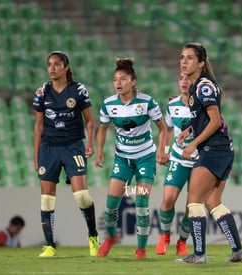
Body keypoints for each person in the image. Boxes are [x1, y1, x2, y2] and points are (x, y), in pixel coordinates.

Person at [176, 42, 242, 264]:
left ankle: (199, 254)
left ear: (201, 63)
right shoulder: (198, 85)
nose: (184, 62)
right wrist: (189, 127)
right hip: (223, 149)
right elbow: (204, 117)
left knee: (194, 202)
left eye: (189, 58)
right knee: (213, 202)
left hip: (213, 149)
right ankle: (237, 251)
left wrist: (193, 143)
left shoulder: (203, 86)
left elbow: (215, 121)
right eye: (182, 57)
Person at [95, 57, 168, 259]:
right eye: (115, 79)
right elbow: (102, 128)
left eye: (123, 79)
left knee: (141, 202)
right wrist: (99, 150)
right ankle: (111, 237)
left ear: (133, 81)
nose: (118, 83)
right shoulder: (109, 104)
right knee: (110, 208)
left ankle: (141, 250)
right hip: (122, 160)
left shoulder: (147, 102)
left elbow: (163, 129)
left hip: (145, 158)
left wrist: (162, 150)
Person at [32, 51, 99, 258]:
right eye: (49, 64)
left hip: (72, 146)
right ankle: (50, 245)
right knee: (46, 200)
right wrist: (36, 156)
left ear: (66, 67)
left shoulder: (78, 90)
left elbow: (90, 120)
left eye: (57, 64)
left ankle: (93, 236)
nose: (52, 68)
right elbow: (39, 126)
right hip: (49, 149)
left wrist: (90, 144)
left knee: (82, 196)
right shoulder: (42, 91)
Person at [155, 73, 194, 256]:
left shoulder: (203, 105)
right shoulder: (172, 105)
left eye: (188, 78)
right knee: (168, 199)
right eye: (180, 78)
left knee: (192, 205)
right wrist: (164, 150)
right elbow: (168, 129)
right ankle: (164, 236)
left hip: (198, 160)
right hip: (178, 158)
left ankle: (182, 241)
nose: (184, 82)